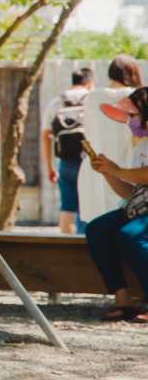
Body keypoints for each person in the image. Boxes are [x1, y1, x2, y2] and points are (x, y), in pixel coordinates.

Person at [84, 87, 148, 323]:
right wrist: (108, 174)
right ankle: (122, 299)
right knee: (97, 228)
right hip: (138, 208)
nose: (130, 121)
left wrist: (118, 170)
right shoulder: (140, 145)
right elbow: (131, 191)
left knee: (132, 235)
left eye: (133, 115)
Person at [79, 56, 142, 223]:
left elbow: (87, 131)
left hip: (95, 166)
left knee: (95, 227)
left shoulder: (92, 97)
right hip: (128, 169)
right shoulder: (137, 97)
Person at [41, 68, 95, 234]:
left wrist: (50, 167)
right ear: (89, 83)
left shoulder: (56, 103)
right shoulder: (92, 102)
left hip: (65, 162)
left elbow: (46, 136)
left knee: (67, 208)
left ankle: (66, 247)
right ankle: (85, 248)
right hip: (90, 163)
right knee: (90, 207)